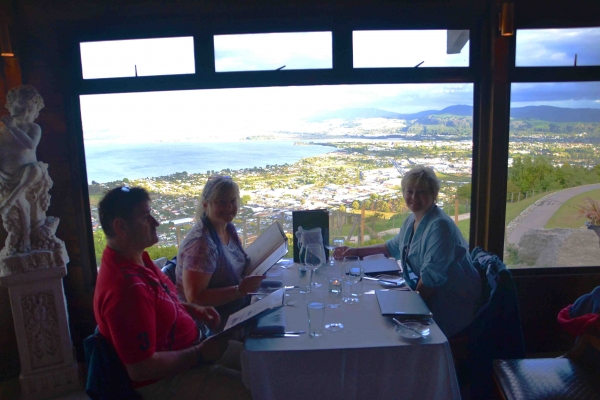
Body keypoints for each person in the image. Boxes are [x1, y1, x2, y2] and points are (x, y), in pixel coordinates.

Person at [93, 186, 251, 399]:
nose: (155, 223)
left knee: (262, 362)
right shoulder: (126, 288)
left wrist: (191, 309)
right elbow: (141, 369)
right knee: (254, 388)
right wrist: (199, 354)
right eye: (145, 217)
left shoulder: (136, 260)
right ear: (121, 226)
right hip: (167, 378)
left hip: (192, 348)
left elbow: (156, 304)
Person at [335, 166, 481, 337]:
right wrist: (355, 251)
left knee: (381, 325)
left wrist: (406, 309)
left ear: (434, 195)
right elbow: (392, 247)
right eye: (409, 191)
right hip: (428, 298)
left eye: (421, 192)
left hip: (449, 306)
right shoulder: (413, 219)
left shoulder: (439, 227)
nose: (414, 197)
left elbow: (430, 281)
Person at [176, 175, 264, 332]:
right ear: (205, 205)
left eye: (232, 201)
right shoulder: (201, 245)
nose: (229, 207)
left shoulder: (227, 228)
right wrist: (239, 291)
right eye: (221, 202)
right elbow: (195, 298)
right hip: (211, 326)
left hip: (234, 309)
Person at [0, 85, 60, 256]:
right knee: (22, 207)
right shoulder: (2, 131)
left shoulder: (33, 128)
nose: (24, 113)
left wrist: (13, 128)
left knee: (33, 170)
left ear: (35, 112)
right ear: (10, 106)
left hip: (29, 174)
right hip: (7, 176)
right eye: (20, 107)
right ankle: (25, 237)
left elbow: (30, 144)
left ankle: (10, 204)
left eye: (29, 109)